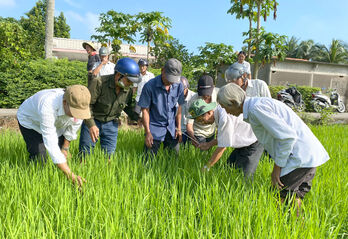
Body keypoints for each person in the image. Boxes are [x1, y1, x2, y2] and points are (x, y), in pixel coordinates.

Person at [217, 83, 330, 214]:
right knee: (293, 196)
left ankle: (280, 228)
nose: (226, 112)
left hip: (299, 157)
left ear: (232, 102)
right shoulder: (258, 104)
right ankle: (300, 229)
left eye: (224, 107)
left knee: (279, 197)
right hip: (307, 154)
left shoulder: (256, 109)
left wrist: (277, 169)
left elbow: (287, 137)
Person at [17, 85, 91, 187]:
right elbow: (50, 141)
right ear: (65, 102)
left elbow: (72, 129)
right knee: (39, 157)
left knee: (62, 155)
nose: (77, 116)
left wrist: (65, 148)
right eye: (75, 112)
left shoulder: (79, 104)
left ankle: (59, 182)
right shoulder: (48, 105)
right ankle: (37, 184)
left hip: (58, 124)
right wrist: (70, 175)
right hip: (31, 122)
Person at [79, 57, 141, 159]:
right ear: (118, 75)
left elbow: (127, 107)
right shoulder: (99, 83)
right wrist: (91, 125)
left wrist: (138, 118)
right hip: (93, 121)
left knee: (109, 158)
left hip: (111, 124)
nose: (130, 84)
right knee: (85, 154)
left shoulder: (127, 90)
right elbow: (87, 105)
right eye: (128, 81)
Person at [189, 99, 263, 178]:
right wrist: (208, 144)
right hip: (241, 143)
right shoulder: (218, 114)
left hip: (253, 142)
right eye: (199, 122)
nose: (202, 123)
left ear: (209, 112)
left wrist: (207, 167)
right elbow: (223, 138)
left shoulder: (223, 118)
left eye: (202, 120)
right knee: (227, 170)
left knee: (243, 177)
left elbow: (222, 147)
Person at [138, 58, 185, 159]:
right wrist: (148, 132)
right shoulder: (149, 86)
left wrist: (179, 128)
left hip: (171, 128)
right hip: (154, 128)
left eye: (174, 80)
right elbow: (145, 110)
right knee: (148, 161)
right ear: (162, 70)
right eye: (169, 78)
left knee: (173, 161)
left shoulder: (179, 86)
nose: (171, 82)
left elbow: (179, 107)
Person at [186, 75, 219, 147]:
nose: (205, 96)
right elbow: (189, 123)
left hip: (211, 130)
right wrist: (192, 137)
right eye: (202, 93)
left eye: (207, 93)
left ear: (213, 87)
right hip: (199, 131)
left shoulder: (218, 97)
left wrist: (219, 131)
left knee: (209, 153)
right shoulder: (193, 100)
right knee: (202, 153)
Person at [180, 76, 196, 145]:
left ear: (186, 88)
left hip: (193, 129)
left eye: (182, 90)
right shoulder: (175, 97)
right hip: (180, 130)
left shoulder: (194, 97)